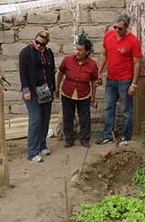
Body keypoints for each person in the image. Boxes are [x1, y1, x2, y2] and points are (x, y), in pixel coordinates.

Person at [96, 13, 142, 146]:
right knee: (109, 108)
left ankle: (126, 137)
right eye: (115, 27)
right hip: (111, 79)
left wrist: (134, 83)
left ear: (127, 27)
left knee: (126, 110)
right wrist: (99, 72)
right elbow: (104, 54)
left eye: (120, 28)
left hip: (125, 80)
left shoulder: (133, 41)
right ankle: (107, 135)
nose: (116, 30)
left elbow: (137, 63)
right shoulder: (109, 35)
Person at [19, 30, 56, 163]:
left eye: (42, 44)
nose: (39, 45)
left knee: (45, 119)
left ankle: (42, 145)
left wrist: (53, 88)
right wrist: (26, 90)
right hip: (32, 91)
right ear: (35, 39)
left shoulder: (48, 53)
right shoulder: (26, 53)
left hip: (46, 90)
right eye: (37, 42)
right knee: (35, 120)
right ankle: (32, 151)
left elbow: (51, 70)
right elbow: (23, 73)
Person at [55, 35, 99, 148]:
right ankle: (69, 139)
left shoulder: (92, 65)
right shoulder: (68, 60)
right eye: (77, 49)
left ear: (87, 52)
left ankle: (84, 139)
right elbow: (60, 73)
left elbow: (94, 82)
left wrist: (93, 97)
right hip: (67, 93)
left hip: (84, 95)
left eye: (80, 50)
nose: (77, 52)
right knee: (68, 117)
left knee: (84, 118)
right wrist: (57, 88)